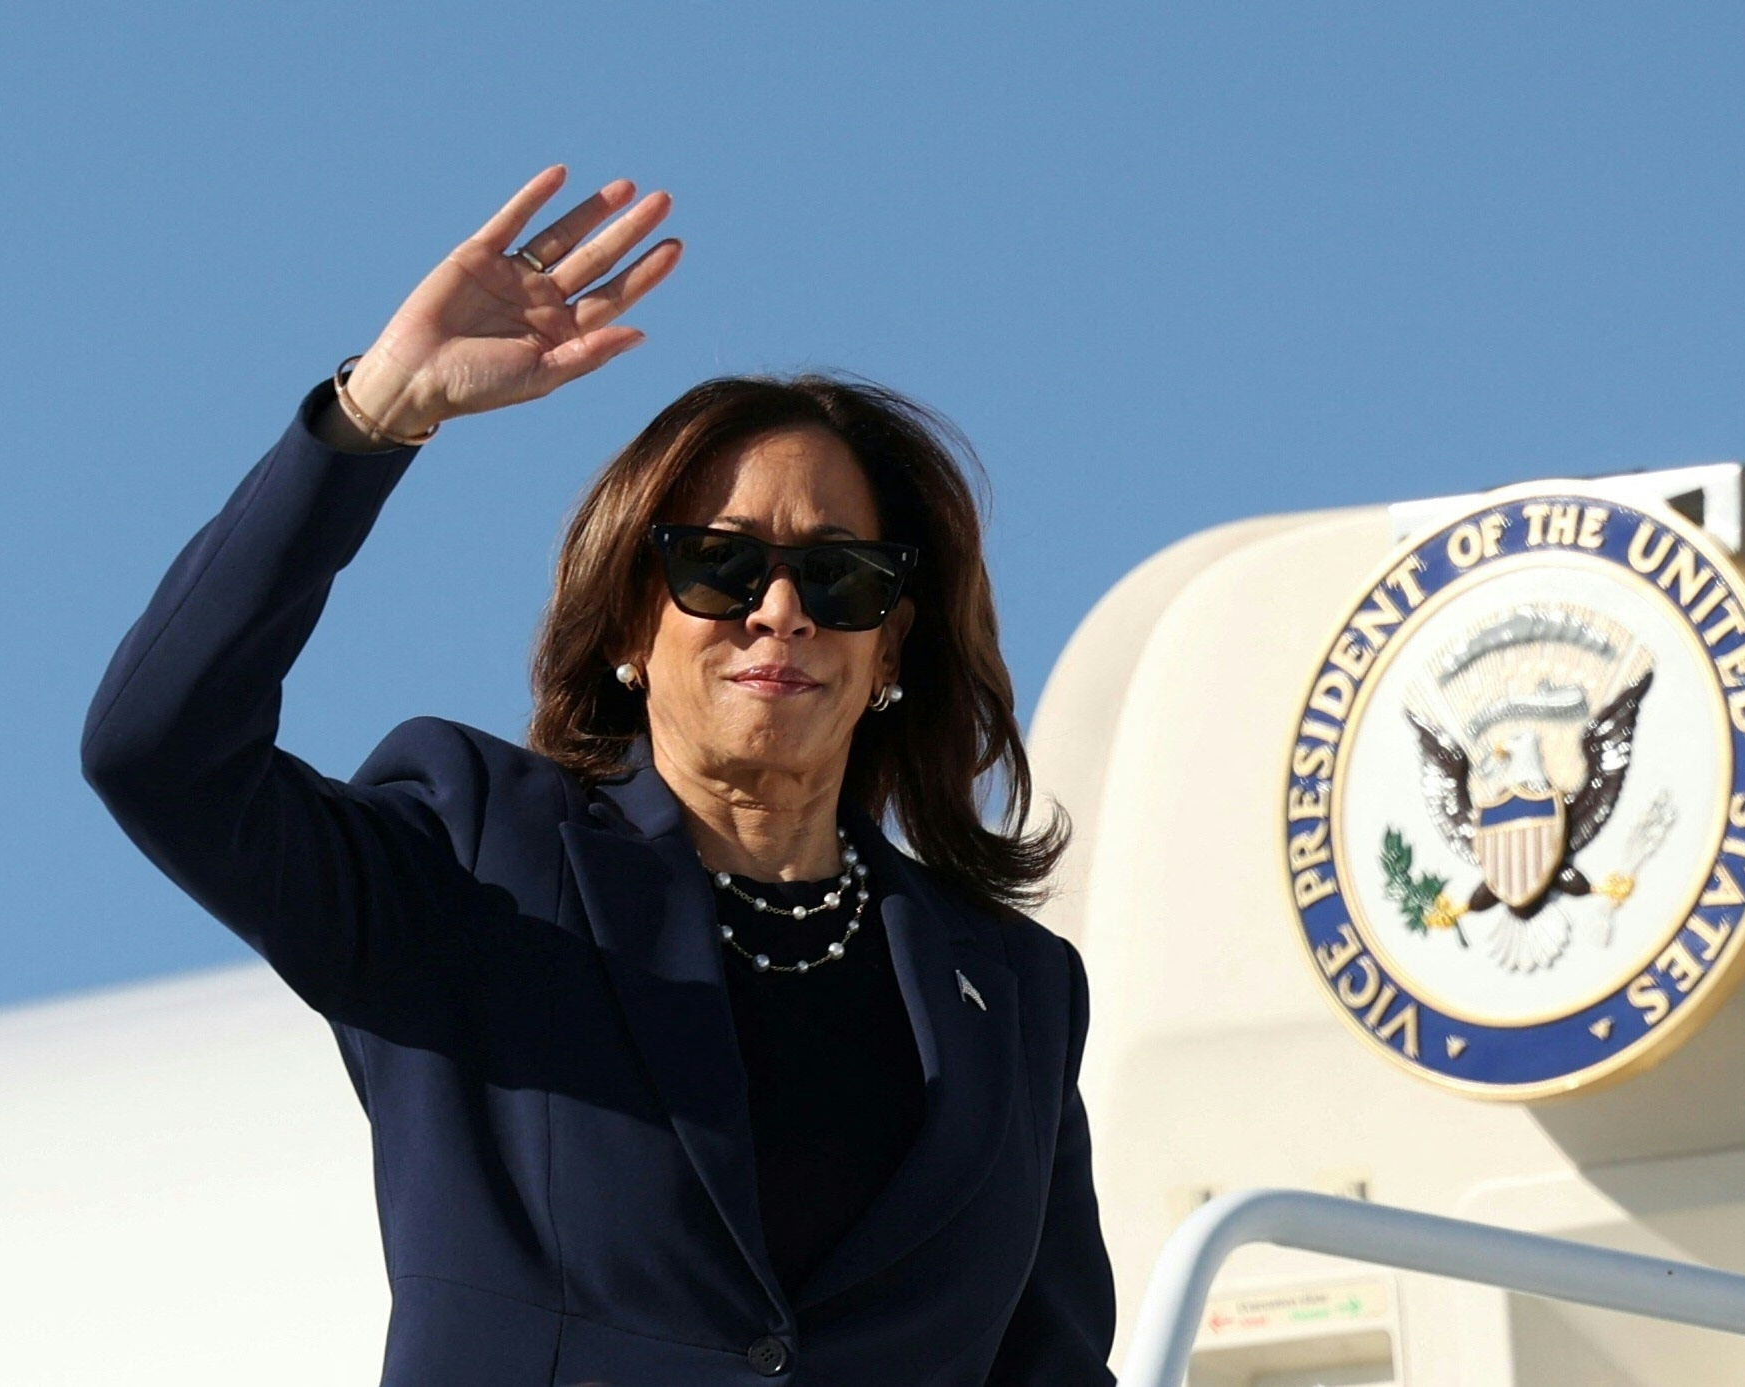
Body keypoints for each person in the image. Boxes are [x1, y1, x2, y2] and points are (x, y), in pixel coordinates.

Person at [81, 164, 1117, 1386]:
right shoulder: (477, 863)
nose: (779, 612)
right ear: (630, 625)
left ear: (891, 642)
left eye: (840, 580)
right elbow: (156, 751)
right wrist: (373, 418)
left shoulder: (1015, 992)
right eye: (719, 570)